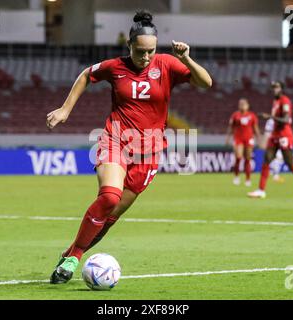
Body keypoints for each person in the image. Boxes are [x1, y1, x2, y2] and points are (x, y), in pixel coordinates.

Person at [46, 10, 212, 284]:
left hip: (149, 151)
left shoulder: (168, 64)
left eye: (151, 51)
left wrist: (185, 59)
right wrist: (65, 109)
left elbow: (205, 82)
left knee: (110, 216)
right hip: (116, 140)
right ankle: (75, 257)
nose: (145, 57)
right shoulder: (115, 67)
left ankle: (70, 253)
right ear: (129, 46)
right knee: (109, 197)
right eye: (140, 51)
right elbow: (87, 75)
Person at [248, 81, 293, 199]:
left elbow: (286, 119)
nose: (274, 89)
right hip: (275, 135)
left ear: (282, 88)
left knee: (290, 164)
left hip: (284, 136)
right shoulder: (275, 102)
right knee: (266, 159)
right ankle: (261, 190)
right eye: (273, 87)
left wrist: (270, 117)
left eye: (276, 87)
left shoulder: (285, 101)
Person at [225, 98, 260, 186]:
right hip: (238, 139)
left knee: (248, 159)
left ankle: (248, 179)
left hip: (249, 139)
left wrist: (259, 139)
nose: (242, 106)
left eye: (244, 104)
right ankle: (236, 176)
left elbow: (255, 128)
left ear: (248, 106)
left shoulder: (252, 116)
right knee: (239, 157)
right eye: (240, 104)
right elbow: (231, 127)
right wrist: (228, 138)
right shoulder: (235, 115)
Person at [262, 117, 285, 183]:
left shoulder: (278, 119)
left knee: (278, 157)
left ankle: (273, 173)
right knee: (277, 157)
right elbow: (267, 132)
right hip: (273, 141)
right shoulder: (271, 121)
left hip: (278, 140)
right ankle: (275, 175)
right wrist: (266, 141)